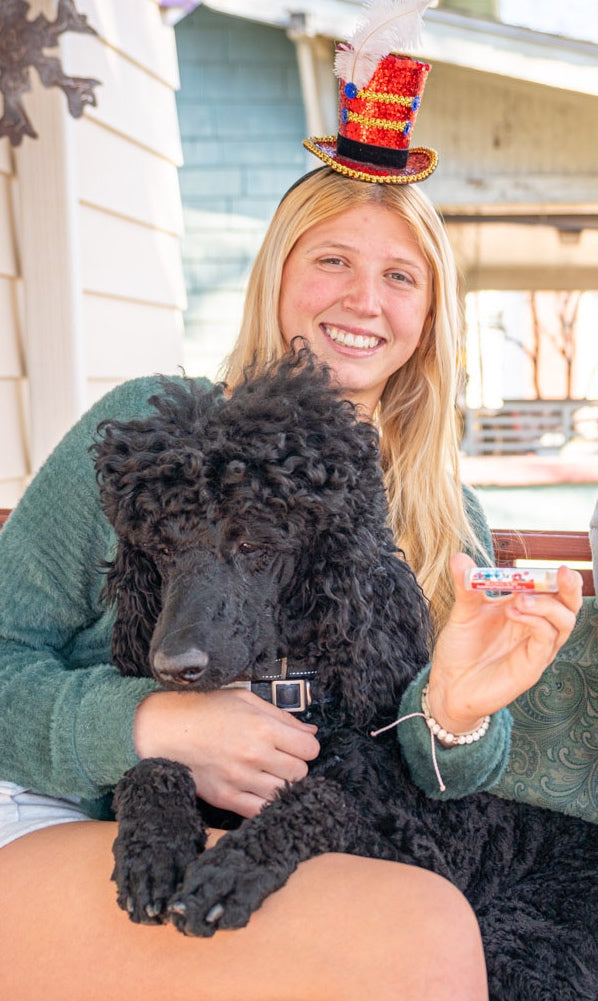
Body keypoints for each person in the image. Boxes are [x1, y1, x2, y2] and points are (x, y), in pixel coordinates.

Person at [0, 13, 583, 1001]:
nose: (364, 298)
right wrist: (153, 724)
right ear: (277, 273)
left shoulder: (444, 513)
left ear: (426, 315)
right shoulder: (148, 427)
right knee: (422, 934)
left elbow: (425, 786)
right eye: (332, 259)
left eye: (399, 275)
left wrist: (450, 717)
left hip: (309, 838)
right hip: (73, 807)